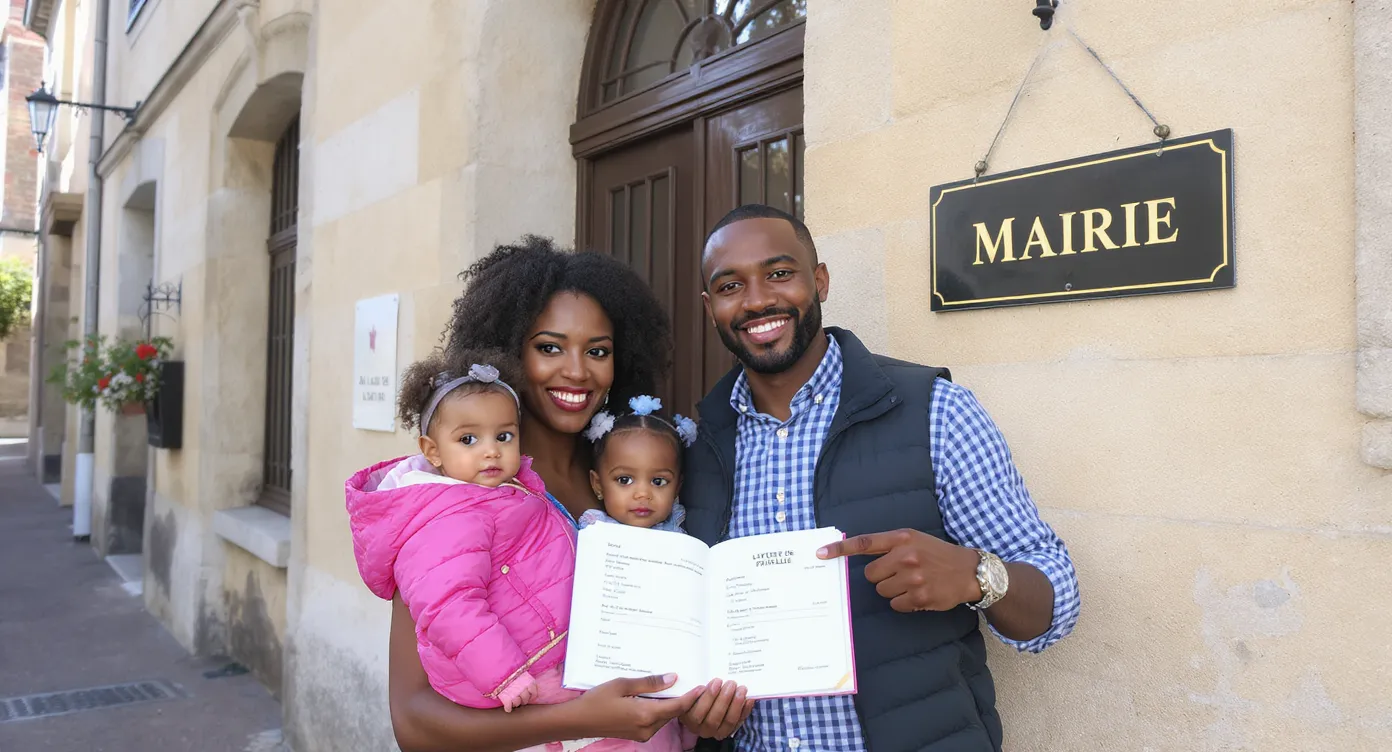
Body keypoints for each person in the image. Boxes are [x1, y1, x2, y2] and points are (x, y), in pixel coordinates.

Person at [680, 205, 1082, 752]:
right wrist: (699, 716)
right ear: (710, 308)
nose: (756, 300)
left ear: (818, 280)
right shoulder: (695, 448)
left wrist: (974, 575)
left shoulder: (936, 411)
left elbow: (1056, 600)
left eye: (779, 273)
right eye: (731, 286)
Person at [386, 236, 755, 752]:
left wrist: (699, 712)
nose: (578, 371)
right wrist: (574, 720)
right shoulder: (458, 492)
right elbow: (412, 722)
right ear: (509, 352)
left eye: (598, 351)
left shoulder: (637, 477)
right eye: (549, 348)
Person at [350, 348, 689, 751]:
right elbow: (449, 607)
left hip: (552, 669)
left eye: (504, 436)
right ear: (432, 451)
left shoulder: (513, 490)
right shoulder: (445, 515)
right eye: (469, 439)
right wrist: (505, 675)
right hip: (514, 681)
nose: (490, 450)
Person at [578, 395, 699, 532]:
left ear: (677, 487)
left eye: (658, 481)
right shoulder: (595, 532)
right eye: (624, 480)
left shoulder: (681, 532)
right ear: (598, 485)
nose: (643, 494)